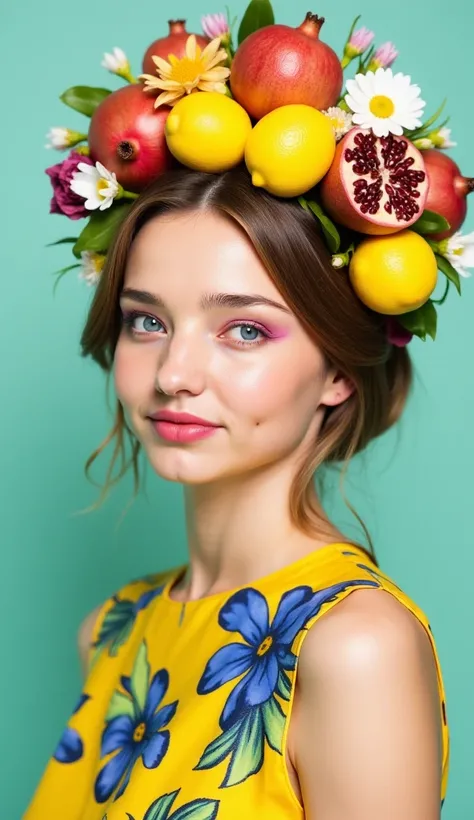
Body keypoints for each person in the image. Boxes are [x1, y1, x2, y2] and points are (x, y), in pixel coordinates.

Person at [25, 166, 450, 819]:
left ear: (337, 369)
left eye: (245, 330)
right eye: (146, 322)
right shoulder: (113, 632)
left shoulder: (352, 647)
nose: (174, 374)